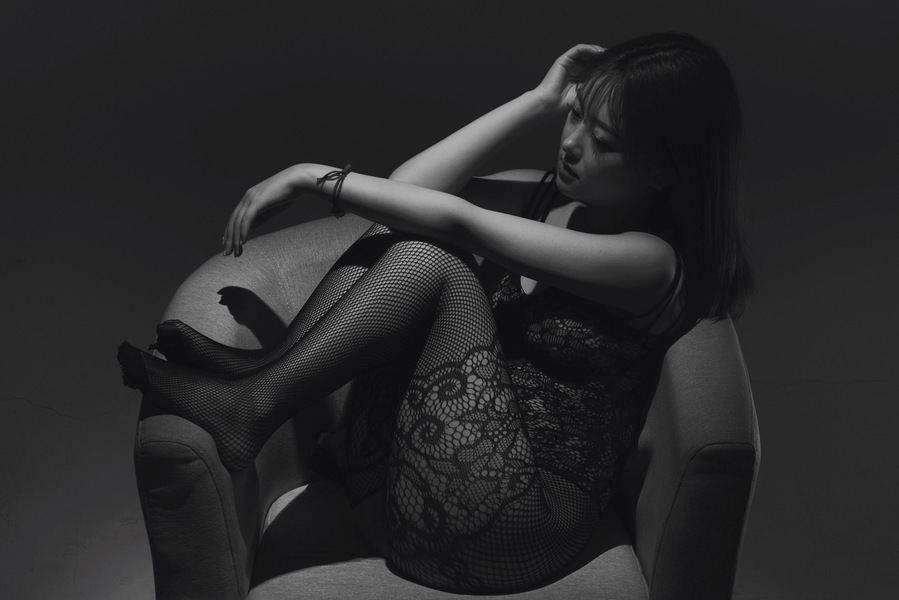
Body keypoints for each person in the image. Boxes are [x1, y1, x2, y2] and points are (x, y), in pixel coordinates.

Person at [118, 31, 753, 593]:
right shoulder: (544, 196)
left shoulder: (650, 263)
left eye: (603, 140)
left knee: (436, 257)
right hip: (405, 493)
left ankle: (253, 402)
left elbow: (456, 223)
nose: (571, 144)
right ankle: (265, 373)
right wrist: (535, 99)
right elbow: (408, 191)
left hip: (511, 529)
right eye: (575, 114)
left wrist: (313, 176)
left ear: (663, 169)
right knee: (400, 230)